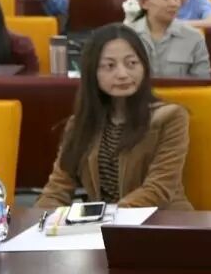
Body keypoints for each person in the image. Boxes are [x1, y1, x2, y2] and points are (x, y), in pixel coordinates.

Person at [36, 24, 192, 210]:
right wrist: (42, 220)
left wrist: (109, 217)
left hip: (161, 221)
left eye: (131, 63)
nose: (122, 74)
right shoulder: (80, 125)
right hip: (105, 223)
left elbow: (158, 189)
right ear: (92, 73)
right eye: (110, 66)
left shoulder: (170, 118)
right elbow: (56, 190)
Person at [127, 0, 211, 78]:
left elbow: (202, 83)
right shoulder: (126, 36)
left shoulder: (194, 37)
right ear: (144, 3)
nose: (173, 3)